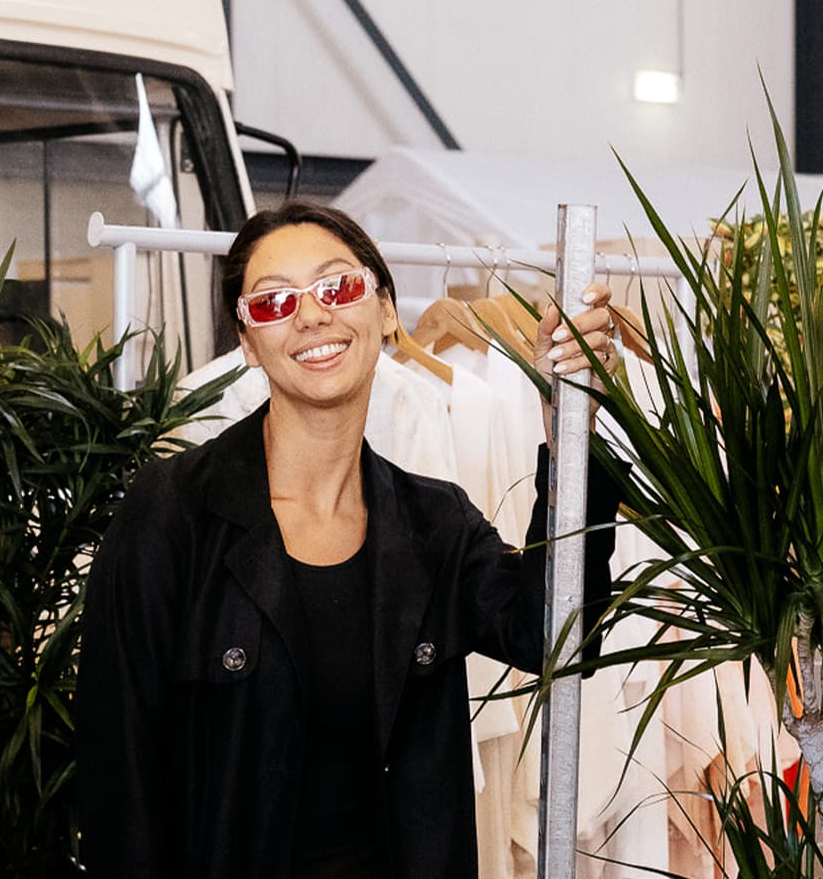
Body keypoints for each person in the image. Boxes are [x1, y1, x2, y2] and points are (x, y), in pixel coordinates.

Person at [75, 203, 625, 877]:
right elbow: (120, 785)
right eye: (274, 301)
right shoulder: (174, 512)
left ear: (386, 310)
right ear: (248, 342)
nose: (312, 315)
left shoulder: (434, 523)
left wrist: (570, 430)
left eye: (337, 287)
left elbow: (557, 634)